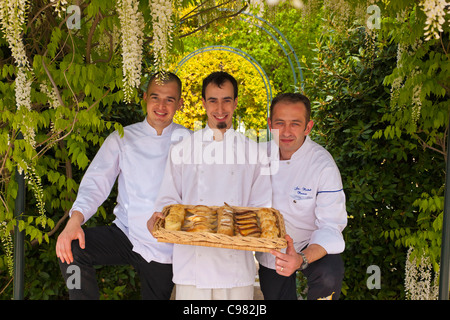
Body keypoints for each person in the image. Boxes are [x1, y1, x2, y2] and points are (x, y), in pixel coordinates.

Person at [56, 72, 190, 299]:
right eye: (155, 97)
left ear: (180, 104)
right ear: (145, 98)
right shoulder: (123, 137)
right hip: (126, 233)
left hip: (165, 246)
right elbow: (95, 183)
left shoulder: (190, 141)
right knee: (72, 251)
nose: (161, 105)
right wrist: (74, 221)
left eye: (169, 99)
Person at [149, 71, 272, 300]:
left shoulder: (254, 152)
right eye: (213, 100)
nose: (220, 108)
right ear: (204, 103)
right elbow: (168, 201)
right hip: (193, 267)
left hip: (236, 268)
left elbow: (261, 209)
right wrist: (158, 219)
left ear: (235, 103)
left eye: (227, 100)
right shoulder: (182, 150)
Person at [255, 92, 347, 300]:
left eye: (295, 124)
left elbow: (331, 226)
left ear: (308, 127)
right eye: (280, 123)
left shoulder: (322, 165)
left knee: (328, 276)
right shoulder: (257, 157)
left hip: (310, 243)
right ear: (270, 124)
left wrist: (301, 258)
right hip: (272, 251)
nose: (286, 132)